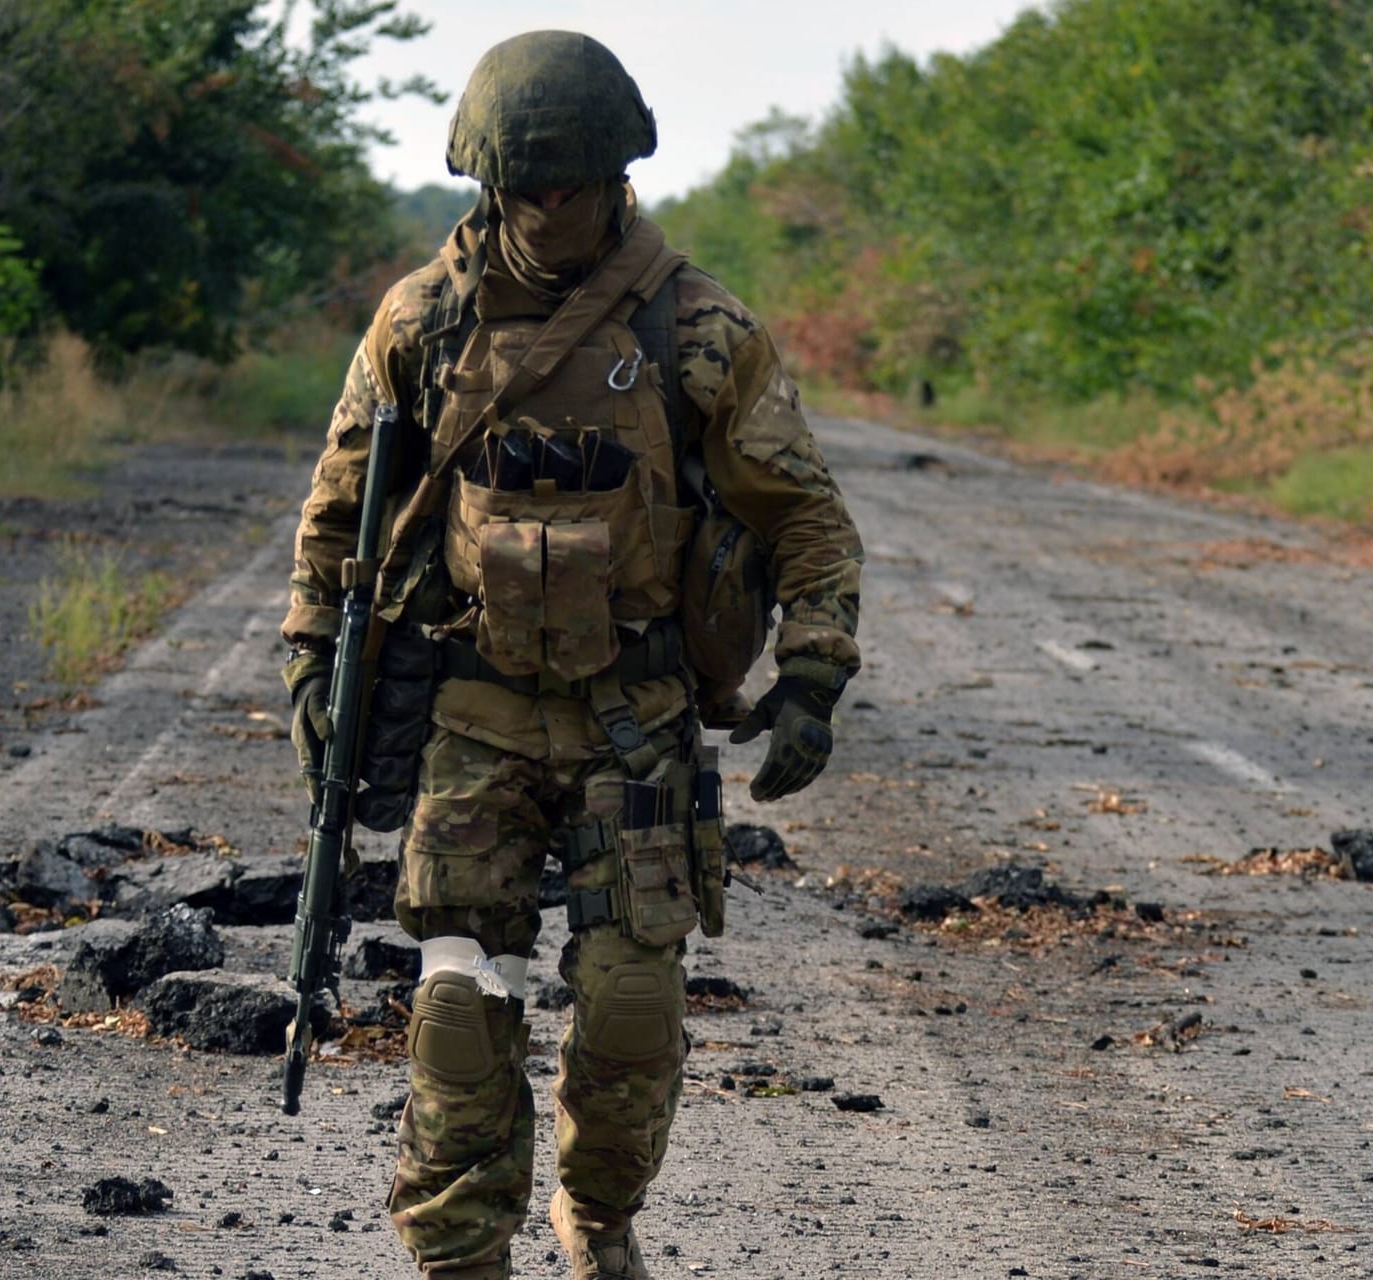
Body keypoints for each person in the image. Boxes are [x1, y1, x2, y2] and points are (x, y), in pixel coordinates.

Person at [279, 30, 863, 1280]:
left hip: (636, 710)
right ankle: (458, 1252)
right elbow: (341, 510)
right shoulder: (424, 322)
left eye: (572, 186)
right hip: (473, 709)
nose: (549, 210)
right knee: (457, 1003)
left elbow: (804, 512)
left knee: (633, 1011)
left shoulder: (696, 328)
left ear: (617, 177)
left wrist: (813, 674)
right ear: (489, 183)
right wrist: (308, 654)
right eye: (525, 188)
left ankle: (597, 1216)